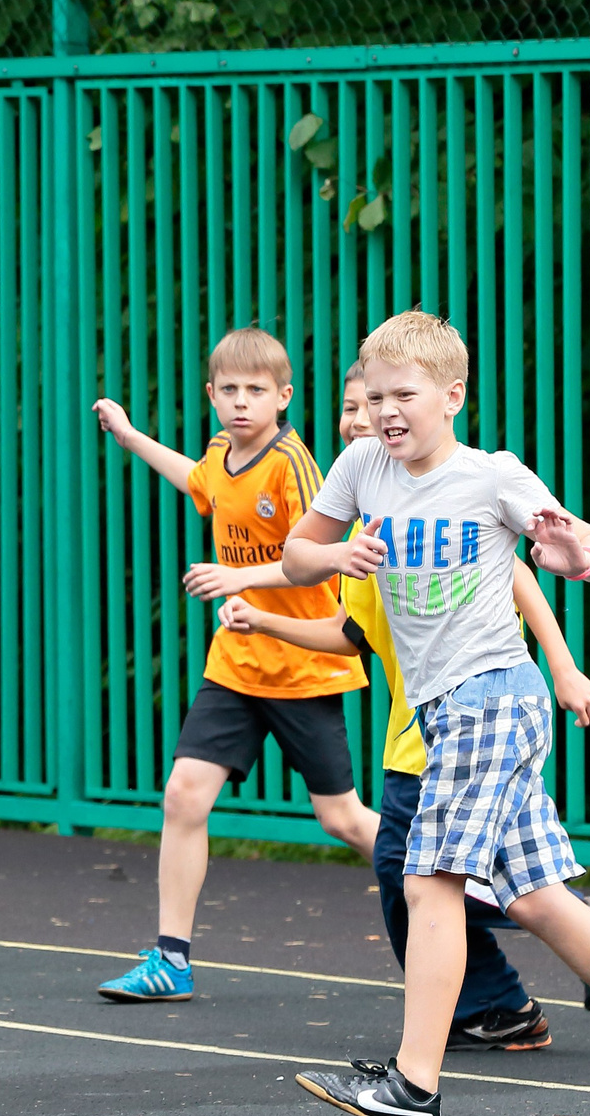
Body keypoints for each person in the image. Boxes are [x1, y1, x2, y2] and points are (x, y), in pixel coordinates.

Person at [282, 311, 590, 1116]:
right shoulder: (361, 466)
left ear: (451, 396)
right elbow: (295, 552)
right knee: (534, 897)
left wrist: (576, 555)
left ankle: (414, 1086)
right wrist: (336, 556)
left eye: (404, 395)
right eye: (373, 396)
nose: (385, 411)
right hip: (450, 706)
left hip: (492, 697)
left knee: (428, 883)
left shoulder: (493, 476)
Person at [218, 362, 590, 1051]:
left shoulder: (463, 495)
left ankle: (436, 1054)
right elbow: (348, 630)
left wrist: (565, 665)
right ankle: (561, 998)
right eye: (355, 405)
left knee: (428, 886)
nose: (362, 417)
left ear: (444, 404)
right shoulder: (372, 537)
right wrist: (266, 614)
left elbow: (531, 570)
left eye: (386, 402)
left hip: (467, 722)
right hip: (420, 727)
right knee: (487, 886)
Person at [91, 329, 377, 1004]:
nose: (241, 402)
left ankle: (484, 900)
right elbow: (195, 479)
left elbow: (321, 554)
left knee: (343, 820)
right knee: (184, 794)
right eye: (230, 390)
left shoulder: (294, 463)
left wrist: (236, 574)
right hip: (236, 664)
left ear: (284, 397)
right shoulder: (221, 453)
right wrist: (131, 437)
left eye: (256, 391)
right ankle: (171, 958)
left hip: (305, 661)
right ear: (212, 395)